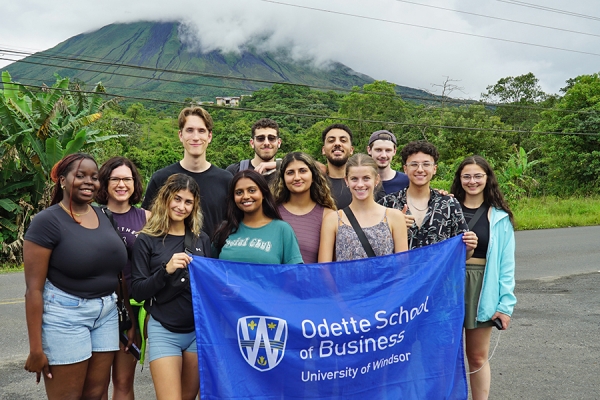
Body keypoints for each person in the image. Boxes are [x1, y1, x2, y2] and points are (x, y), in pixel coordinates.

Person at [23, 153, 127, 400]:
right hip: (66, 315)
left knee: (96, 394)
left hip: (106, 315)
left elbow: (117, 274)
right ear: (62, 180)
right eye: (80, 176)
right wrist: (36, 349)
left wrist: (127, 320)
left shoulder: (104, 215)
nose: (89, 181)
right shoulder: (47, 222)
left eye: (94, 177)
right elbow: (34, 290)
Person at [131, 174, 210, 400]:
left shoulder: (201, 239)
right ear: (165, 198)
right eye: (177, 199)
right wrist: (165, 271)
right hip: (163, 329)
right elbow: (138, 290)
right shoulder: (146, 239)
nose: (181, 206)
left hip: (197, 332)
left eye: (188, 202)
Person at [450, 155, 517, 400]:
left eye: (478, 176)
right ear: (459, 179)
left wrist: (505, 306)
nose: (472, 181)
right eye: (466, 176)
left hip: (482, 287)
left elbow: (506, 266)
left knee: (477, 356)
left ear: (487, 179)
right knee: (444, 353)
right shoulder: (446, 207)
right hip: (449, 285)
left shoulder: (499, 217)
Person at [97, 156, 150, 400]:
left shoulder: (147, 218)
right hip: (97, 307)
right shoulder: (91, 215)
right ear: (104, 183)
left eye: (126, 179)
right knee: (96, 385)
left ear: (135, 183)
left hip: (132, 309)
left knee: (123, 381)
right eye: (115, 179)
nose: (121, 184)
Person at [141, 106, 232, 239]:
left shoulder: (226, 180)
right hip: (169, 257)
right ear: (180, 135)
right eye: (190, 130)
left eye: (201, 131)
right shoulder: (161, 178)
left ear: (209, 136)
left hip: (213, 258)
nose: (195, 137)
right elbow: (146, 221)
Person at [379, 141, 478, 255]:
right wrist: (393, 230)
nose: (420, 169)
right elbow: (375, 250)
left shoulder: (449, 204)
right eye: (414, 164)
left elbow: (462, 255)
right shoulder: (388, 204)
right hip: (400, 272)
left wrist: (470, 247)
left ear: (434, 169)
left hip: (438, 273)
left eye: (426, 164)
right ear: (405, 169)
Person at [318, 154, 408, 262]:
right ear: (346, 181)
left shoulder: (394, 217)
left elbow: (402, 266)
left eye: (366, 178)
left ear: (376, 179)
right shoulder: (333, 219)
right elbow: (324, 268)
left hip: (386, 279)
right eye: (354, 179)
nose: (360, 184)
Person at [213, 170, 303, 264]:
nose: (246, 196)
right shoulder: (224, 230)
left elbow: (295, 273)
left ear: (263, 194)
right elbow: (210, 268)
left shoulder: (283, 230)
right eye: (239, 192)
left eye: (252, 190)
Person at [272, 152, 336, 264]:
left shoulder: (328, 215)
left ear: (313, 176)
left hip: (313, 281)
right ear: (283, 178)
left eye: (303, 171)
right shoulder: (271, 212)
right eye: (290, 172)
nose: (297, 177)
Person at [226, 118, 282, 185]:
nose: (266, 143)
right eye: (260, 138)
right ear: (252, 143)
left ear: (279, 142)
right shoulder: (235, 171)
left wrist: (278, 165)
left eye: (271, 138)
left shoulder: (286, 172)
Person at [321, 124, 354, 209]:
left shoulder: (366, 184)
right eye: (331, 141)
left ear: (351, 150)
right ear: (323, 150)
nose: (337, 143)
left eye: (343, 140)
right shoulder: (316, 185)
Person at [366, 130, 409, 194]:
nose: (383, 155)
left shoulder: (406, 181)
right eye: (378, 150)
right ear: (369, 150)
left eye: (388, 150)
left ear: (394, 151)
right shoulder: (360, 182)